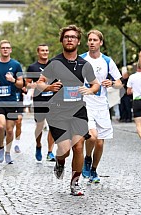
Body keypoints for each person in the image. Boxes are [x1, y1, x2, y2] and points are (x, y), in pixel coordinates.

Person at [37, 25, 100, 196]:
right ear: (62, 40)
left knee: (78, 147)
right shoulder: (55, 63)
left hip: (78, 109)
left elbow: (96, 84)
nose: (69, 39)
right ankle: (60, 162)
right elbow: (40, 82)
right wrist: (49, 87)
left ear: (78, 41)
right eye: (66, 37)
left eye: (73, 37)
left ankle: (75, 183)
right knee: (64, 150)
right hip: (57, 112)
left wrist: (90, 90)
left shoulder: (84, 64)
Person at [80, 29, 122, 183]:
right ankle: (87, 158)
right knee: (92, 136)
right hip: (85, 104)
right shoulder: (81, 59)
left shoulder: (107, 61)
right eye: (89, 40)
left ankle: (94, 170)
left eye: (95, 40)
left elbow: (119, 83)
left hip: (102, 105)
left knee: (100, 141)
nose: (91, 42)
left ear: (101, 42)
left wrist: (111, 83)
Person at [26, 44, 55, 162]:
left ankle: (50, 152)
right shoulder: (32, 67)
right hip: (39, 101)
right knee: (39, 126)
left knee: (52, 126)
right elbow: (26, 84)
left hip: (52, 100)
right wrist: (32, 85)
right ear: (38, 52)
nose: (45, 52)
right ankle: (38, 146)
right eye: (42, 50)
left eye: (47, 50)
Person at [127, 60, 141, 138]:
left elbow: (128, 91)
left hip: (137, 101)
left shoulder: (132, 77)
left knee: (139, 125)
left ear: (137, 68)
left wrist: (133, 90)